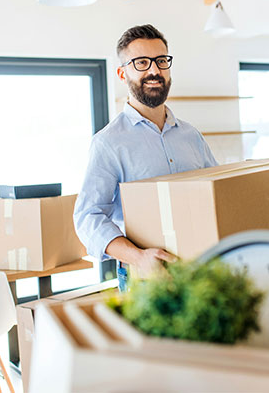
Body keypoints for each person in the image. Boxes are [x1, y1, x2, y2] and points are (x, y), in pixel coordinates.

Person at [74, 24, 218, 277]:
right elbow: (88, 218)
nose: (154, 70)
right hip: (146, 278)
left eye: (161, 61)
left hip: (202, 271)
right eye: (141, 62)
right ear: (122, 73)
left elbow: (216, 194)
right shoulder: (109, 143)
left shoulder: (191, 136)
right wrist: (138, 257)